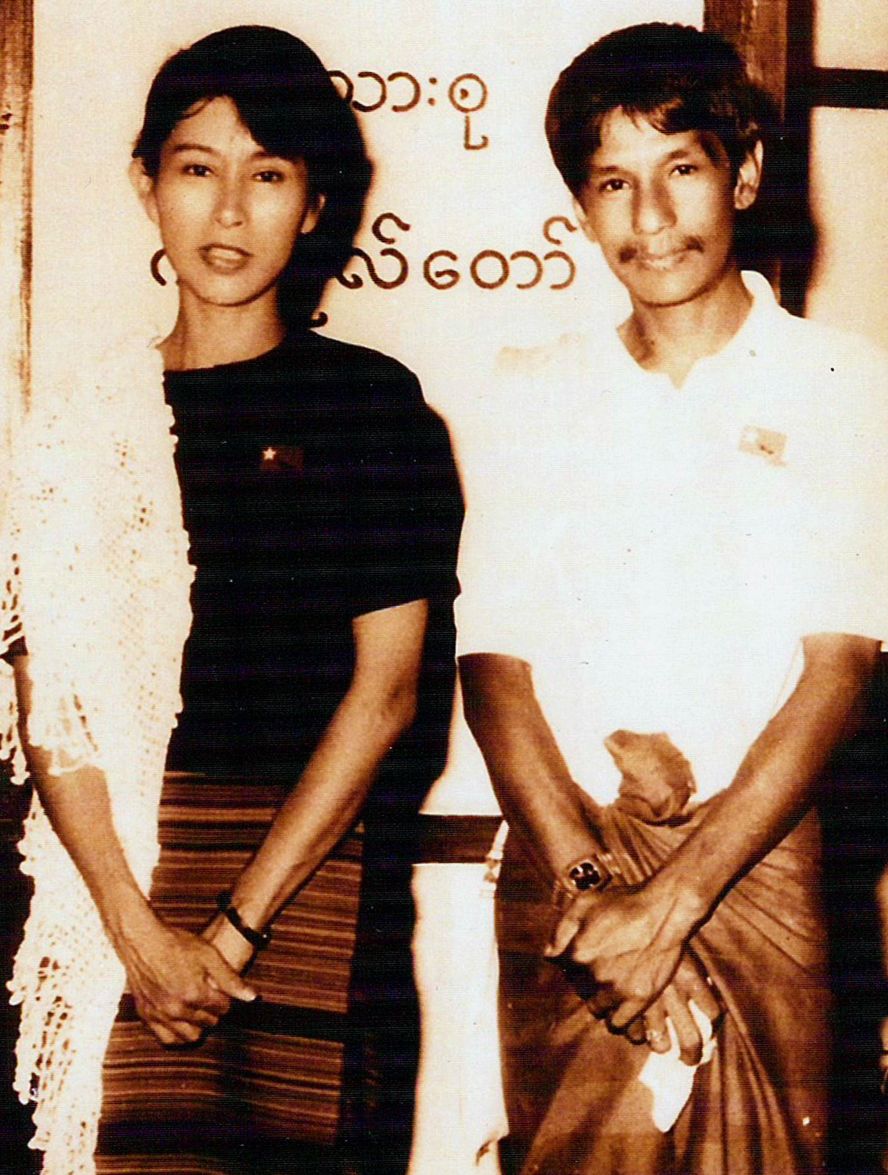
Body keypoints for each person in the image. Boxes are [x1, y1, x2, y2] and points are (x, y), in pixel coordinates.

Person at [0, 24, 461, 1175]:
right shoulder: (79, 423)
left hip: (309, 883)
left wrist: (232, 925)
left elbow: (388, 689)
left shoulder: (369, 405)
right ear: (146, 184)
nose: (229, 210)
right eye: (198, 168)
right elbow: (49, 697)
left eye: (269, 175)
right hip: (116, 887)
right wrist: (133, 927)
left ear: (315, 206)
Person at [455, 22, 888, 1175]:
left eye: (680, 169)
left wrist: (677, 902)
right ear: (580, 206)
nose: (649, 220)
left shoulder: (845, 383)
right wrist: (605, 898)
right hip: (572, 870)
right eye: (613, 184)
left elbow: (840, 665)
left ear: (744, 172)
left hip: (758, 869)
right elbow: (493, 670)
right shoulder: (532, 388)